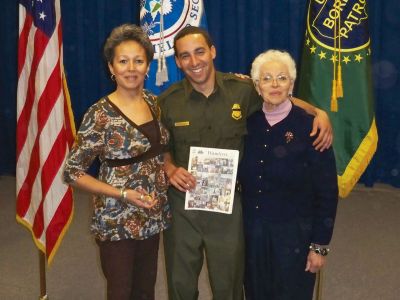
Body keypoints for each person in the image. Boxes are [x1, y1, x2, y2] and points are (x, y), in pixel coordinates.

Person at [158, 26, 333, 300]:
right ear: (177, 61)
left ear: (213, 51)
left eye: (200, 52)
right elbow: (161, 146)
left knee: (228, 285)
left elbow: (276, 94)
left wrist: (318, 112)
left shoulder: (241, 91)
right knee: (180, 284)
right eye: (185, 56)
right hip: (183, 206)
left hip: (228, 208)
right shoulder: (167, 102)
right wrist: (169, 168)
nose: (194, 62)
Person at [63, 24, 171, 300]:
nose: (131, 68)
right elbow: (72, 172)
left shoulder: (155, 103)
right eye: (123, 61)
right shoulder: (99, 114)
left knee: (146, 289)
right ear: (111, 67)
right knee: (121, 291)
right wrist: (122, 194)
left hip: (151, 214)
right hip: (116, 218)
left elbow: (161, 150)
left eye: (138, 60)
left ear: (148, 65)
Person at [239, 49, 338, 300]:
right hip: (253, 234)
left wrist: (320, 246)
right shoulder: (246, 125)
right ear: (256, 85)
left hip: (295, 235)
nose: (274, 84)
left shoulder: (311, 127)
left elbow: (327, 191)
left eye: (282, 78)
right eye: (267, 78)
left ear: (291, 84)